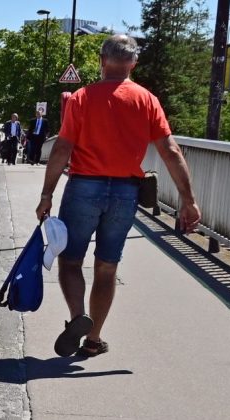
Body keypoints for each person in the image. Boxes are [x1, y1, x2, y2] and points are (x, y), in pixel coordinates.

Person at [36, 34, 201, 358]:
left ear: (102, 60)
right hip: (126, 192)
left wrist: (46, 194)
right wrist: (188, 199)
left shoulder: (82, 97)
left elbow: (62, 148)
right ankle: (94, 339)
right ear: (133, 63)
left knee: (71, 261)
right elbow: (170, 150)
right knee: (107, 267)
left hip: (84, 186)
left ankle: (77, 316)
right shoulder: (146, 100)